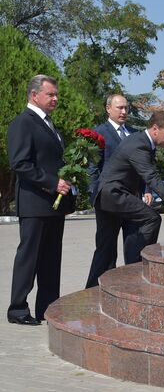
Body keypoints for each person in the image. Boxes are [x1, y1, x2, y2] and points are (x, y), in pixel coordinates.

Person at [85, 111, 164, 288]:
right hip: (113, 194)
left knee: (106, 248)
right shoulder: (140, 145)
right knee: (151, 218)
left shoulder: (142, 141)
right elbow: (151, 177)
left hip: (108, 195)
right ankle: (135, 268)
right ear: (155, 129)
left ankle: (94, 290)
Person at [6, 75, 75, 325]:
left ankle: (48, 308)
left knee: (50, 260)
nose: (56, 98)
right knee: (29, 258)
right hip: (35, 203)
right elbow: (20, 163)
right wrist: (52, 183)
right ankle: (17, 309)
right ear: (34, 95)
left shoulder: (50, 125)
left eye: (56, 94)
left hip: (53, 206)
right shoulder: (23, 123)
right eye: (51, 94)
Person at [88, 94, 152, 266]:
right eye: (119, 108)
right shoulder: (99, 133)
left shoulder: (134, 134)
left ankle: (129, 285)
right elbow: (93, 168)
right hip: (108, 201)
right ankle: (97, 287)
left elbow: (143, 165)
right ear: (108, 109)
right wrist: (96, 194)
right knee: (106, 250)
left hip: (132, 199)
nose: (124, 111)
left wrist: (146, 189)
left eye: (126, 108)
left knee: (133, 246)